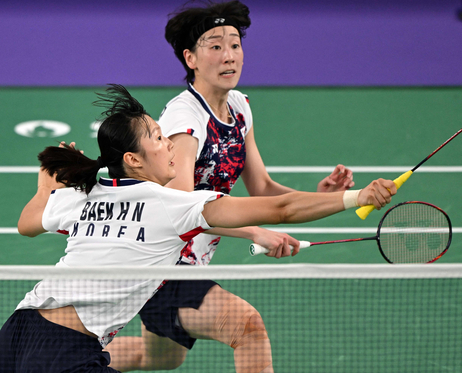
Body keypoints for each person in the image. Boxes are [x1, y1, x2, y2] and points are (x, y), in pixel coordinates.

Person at [0, 84, 396, 372]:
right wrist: (356, 198)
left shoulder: (85, 193)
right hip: (66, 352)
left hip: (19, 330)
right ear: (133, 160)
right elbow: (281, 209)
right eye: (158, 137)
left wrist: (45, 186)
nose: (170, 144)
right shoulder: (173, 205)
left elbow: (26, 225)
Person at [106, 1, 358, 371]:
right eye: (216, 46)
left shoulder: (238, 107)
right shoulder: (185, 118)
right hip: (163, 263)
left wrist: (321, 198)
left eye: (235, 45)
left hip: (188, 262)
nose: (229, 56)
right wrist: (255, 231)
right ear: (190, 58)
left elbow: (262, 187)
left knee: (158, 358)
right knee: (248, 327)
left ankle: (61, 363)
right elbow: (180, 207)